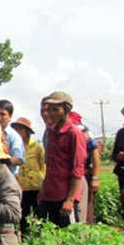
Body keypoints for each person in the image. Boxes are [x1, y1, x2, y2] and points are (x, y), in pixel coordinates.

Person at [38, 91, 86, 228]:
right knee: (46, 234)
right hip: (50, 194)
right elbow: (50, 166)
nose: (51, 113)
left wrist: (70, 199)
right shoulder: (52, 132)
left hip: (65, 196)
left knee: (69, 237)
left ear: (66, 110)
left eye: (56, 109)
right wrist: (44, 190)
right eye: (49, 109)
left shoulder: (74, 134)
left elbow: (78, 169)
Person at [11, 117, 44, 233]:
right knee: (22, 215)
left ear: (26, 132)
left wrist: (43, 186)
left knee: (37, 215)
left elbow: (43, 166)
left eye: (19, 129)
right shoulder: (14, 147)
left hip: (35, 186)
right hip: (20, 187)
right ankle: (24, 238)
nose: (17, 132)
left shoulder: (37, 147)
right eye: (15, 129)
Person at [69, 111, 101, 224]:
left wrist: (95, 178)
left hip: (81, 174)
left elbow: (94, 152)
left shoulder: (80, 129)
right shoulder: (52, 130)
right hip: (65, 177)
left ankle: (85, 236)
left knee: (82, 208)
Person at [0, 100, 25, 175]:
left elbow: (19, 159)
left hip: (6, 179)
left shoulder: (14, 137)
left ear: (10, 117)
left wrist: (0, 162)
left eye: (2, 114)